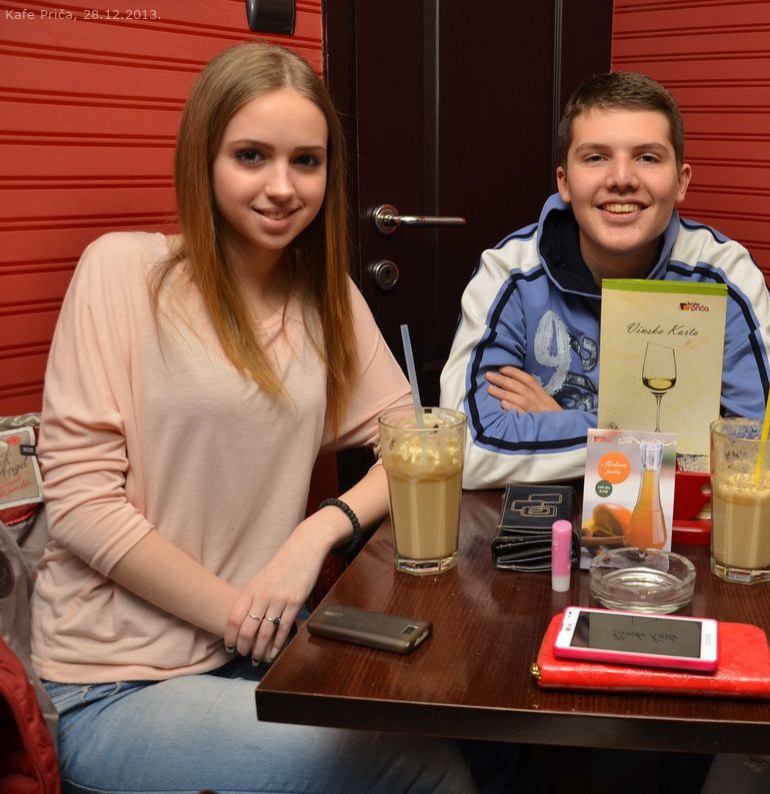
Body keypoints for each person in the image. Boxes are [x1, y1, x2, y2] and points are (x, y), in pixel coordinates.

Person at [30, 42, 473, 793]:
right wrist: (242, 614)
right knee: (416, 767)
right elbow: (80, 504)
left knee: (453, 717)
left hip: (258, 656)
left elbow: (417, 441)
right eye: (251, 156)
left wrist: (318, 530)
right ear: (203, 159)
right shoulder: (120, 271)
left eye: (307, 161)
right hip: (115, 684)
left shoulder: (327, 299)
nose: (282, 187)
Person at [439, 72, 770, 491]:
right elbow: (466, 450)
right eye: (596, 157)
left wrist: (564, 423)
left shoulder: (727, 276)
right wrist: (668, 438)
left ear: (681, 182)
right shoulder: (508, 272)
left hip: (675, 528)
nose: (622, 178)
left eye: (647, 157)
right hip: (548, 522)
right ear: (564, 183)